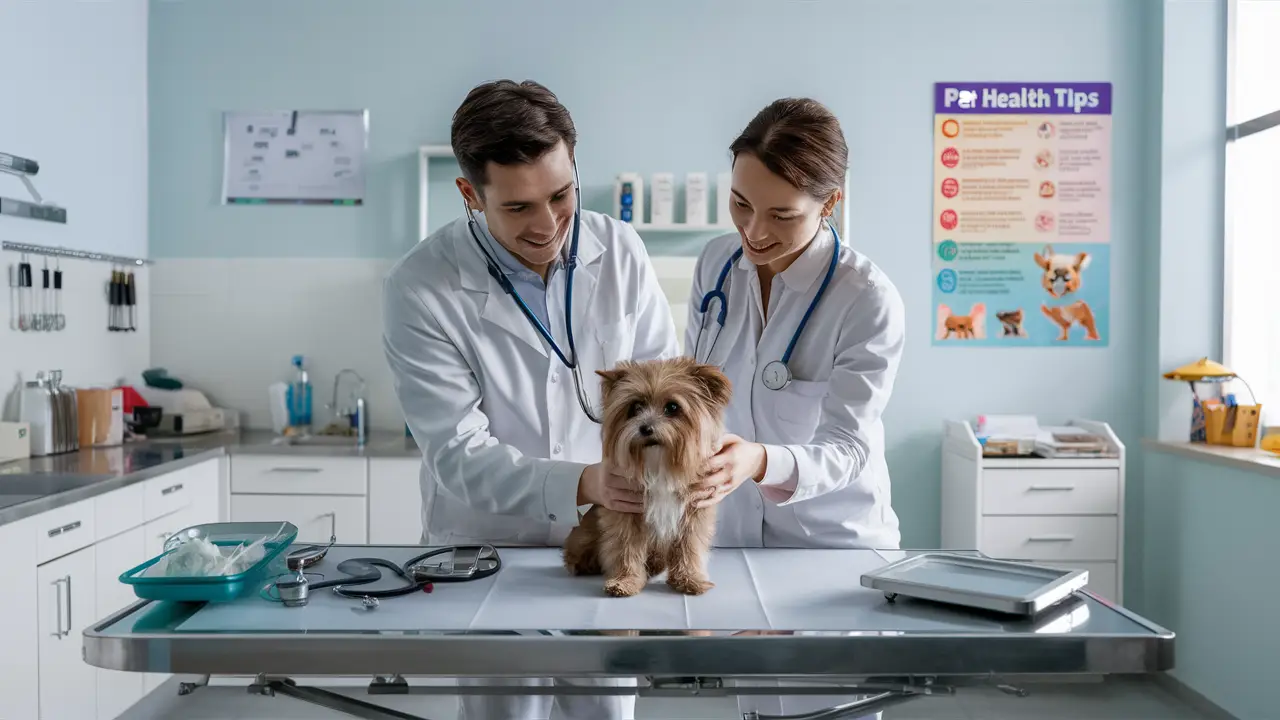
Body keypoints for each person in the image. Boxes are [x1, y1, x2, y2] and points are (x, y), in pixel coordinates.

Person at [382, 79, 678, 720]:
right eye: (518, 207)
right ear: (470, 194)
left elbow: (662, 387)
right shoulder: (421, 285)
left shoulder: (619, 251)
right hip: (489, 548)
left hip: (604, 543)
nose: (547, 226)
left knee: (605, 712)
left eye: (561, 195)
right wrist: (584, 481)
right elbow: (455, 452)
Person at [684, 97, 906, 717]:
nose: (754, 232)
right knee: (757, 710)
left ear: (829, 203)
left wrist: (759, 461)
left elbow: (850, 448)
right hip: (738, 546)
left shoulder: (865, 298)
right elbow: (699, 391)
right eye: (740, 204)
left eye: (781, 214)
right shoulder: (716, 265)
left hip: (831, 552)